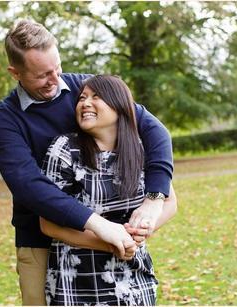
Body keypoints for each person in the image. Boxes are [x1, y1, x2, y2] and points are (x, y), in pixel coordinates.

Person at [0, 19, 175, 305]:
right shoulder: (6, 119)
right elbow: (27, 185)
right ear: (15, 73)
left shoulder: (85, 90)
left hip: (114, 233)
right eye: (43, 75)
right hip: (41, 240)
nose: (55, 79)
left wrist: (154, 198)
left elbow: (154, 130)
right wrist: (99, 226)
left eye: (57, 68)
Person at [39, 75, 176, 306]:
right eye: (82, 98)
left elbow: (170, 202)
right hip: (78, 282)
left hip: (134, 278)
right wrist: (111, 243)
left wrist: (141, 231)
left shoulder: (140, 147)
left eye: (96, 97)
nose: (85, 103)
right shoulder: (64, 150)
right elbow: (48, 223)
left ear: (119, 105)